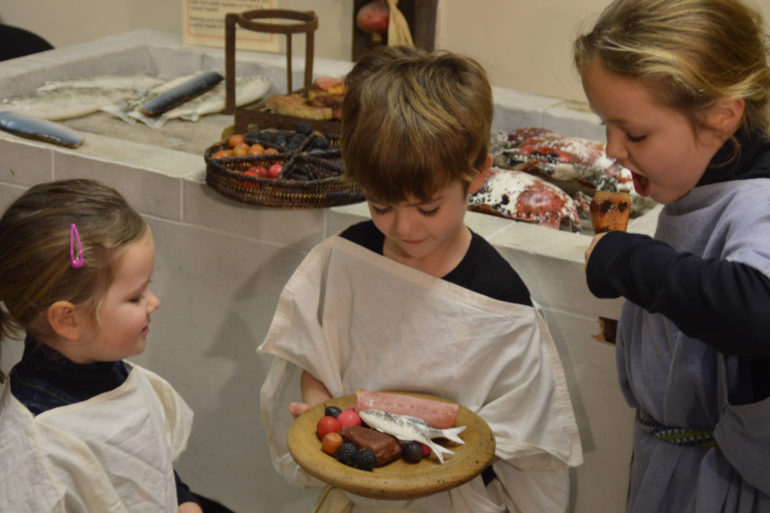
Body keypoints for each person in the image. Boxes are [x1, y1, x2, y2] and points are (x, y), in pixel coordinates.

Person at [259, 46, 582, 513]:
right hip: (358, 495)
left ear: (477, 175)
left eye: (428, 208)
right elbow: (319, 361)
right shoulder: (347, 257)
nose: (404, 228)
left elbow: (532, 447)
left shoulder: (501, 301)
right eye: (380, 205)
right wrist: (322, 412)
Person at [574, 0, 770, 511]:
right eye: (606, 126)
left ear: (721, 116)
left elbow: (757, 307)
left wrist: (626, 260)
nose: (614, 149)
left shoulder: (759, 201)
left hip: (729, 485)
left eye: (635, 133)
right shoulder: (700, 179)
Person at [0, 179, 203, 513]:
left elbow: (150, 468)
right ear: (67, 319)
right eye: (136, 296)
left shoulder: (116, 376)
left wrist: (183, 501)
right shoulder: (35, 450)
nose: (154, 302)